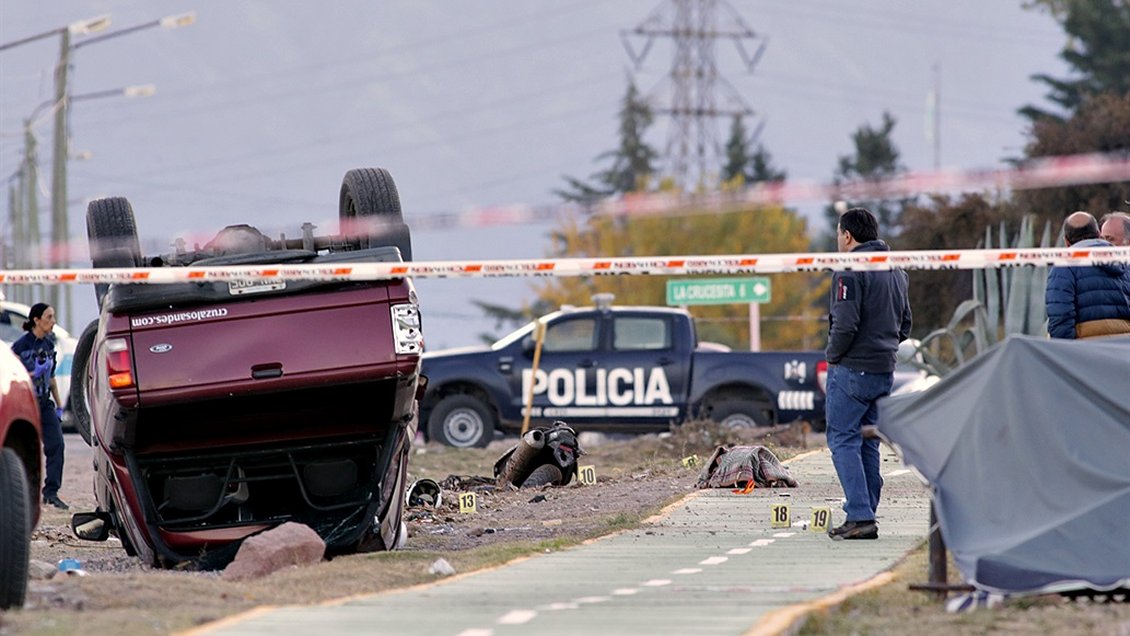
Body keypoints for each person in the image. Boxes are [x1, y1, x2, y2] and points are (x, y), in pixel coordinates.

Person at [824, 208, 911, 541]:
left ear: (848, 236)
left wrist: (833, 356)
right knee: (867, 442)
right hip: (884, 369)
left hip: (852, 369)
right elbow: (905, 325)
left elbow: (845, 323)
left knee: (842, 438)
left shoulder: (850, 268)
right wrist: (883, 346)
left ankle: (860, 515)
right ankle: (867, 512)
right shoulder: (896, 271)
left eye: (838, 235)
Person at [10, 302, 68, 509]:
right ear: (37, 320)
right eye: (49, 317)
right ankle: (22, 494)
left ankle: (51, 492)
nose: (53, 322)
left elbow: (50, 379)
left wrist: (60, 406)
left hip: (45, 403)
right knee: (25, 449)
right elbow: (13, 377)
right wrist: (33, 374)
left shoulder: (49, 345)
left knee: (57, 445)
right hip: (26, 404)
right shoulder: (20, 346)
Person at [1046, 211, 1130, 339]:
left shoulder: (1064, 265)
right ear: (1098, 234)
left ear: (1067, 242)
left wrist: (1064, 352)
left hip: (1086, 350)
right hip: (1123, 349)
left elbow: (1060, 317)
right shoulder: (1124, 260)